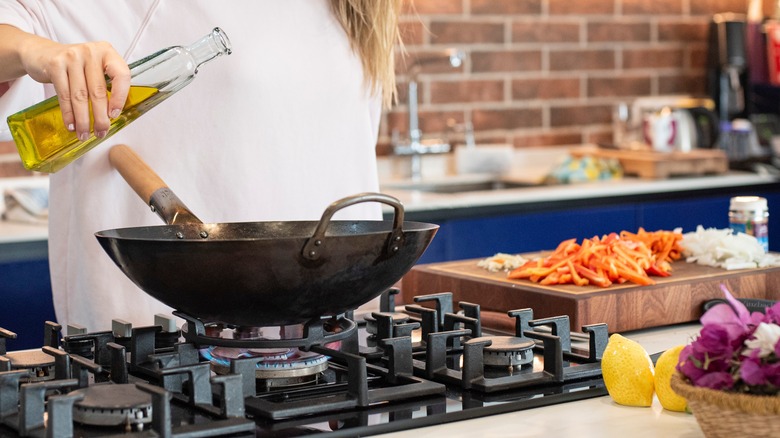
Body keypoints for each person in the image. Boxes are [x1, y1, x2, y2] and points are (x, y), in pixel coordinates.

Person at [0, 0, 403, 331]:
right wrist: (35, 50)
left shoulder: (357, 10)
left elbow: (345, 158)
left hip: (334, 333)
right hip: (164, 345)